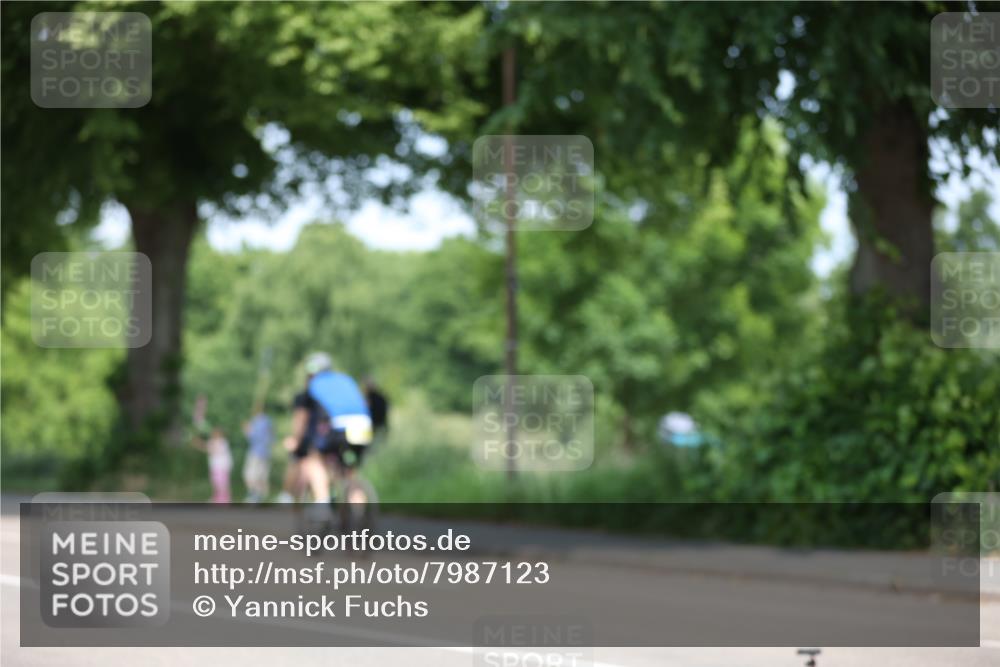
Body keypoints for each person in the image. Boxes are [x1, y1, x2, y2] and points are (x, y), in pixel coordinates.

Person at [282, 352, 372, 508]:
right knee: (349, 470)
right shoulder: (346, 380)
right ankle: (359, 509)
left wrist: (296, 440)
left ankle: (322, 502)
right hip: (363, 427)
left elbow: (302, 418)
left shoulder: (313, 385)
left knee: (313, 460)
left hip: (339, 427)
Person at [242, 404, 273, 503]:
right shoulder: (269, 421)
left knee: (249, 475)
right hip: (266, 452)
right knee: (261, 475)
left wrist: (247, 429)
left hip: (256, 452)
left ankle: (254, 495)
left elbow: (253, 437)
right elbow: (271, 438)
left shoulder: (257, 421)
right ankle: (260, 497)